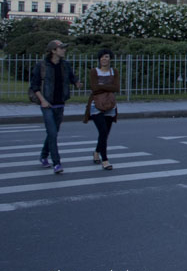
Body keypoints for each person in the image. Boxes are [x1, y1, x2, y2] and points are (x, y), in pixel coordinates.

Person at [29, 40, 81, 175]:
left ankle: (43, 155)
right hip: (47, 104)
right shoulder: (42, 65)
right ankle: (57, 163)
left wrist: (76, 82)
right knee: (52, 133)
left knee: (53, 133)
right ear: (53, 51)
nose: (64, 50)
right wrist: (43, 101)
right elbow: (34, 86)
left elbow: (72, 77)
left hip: (60, 104)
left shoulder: (65, 65)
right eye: (61, 48)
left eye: (64, 48)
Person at [83, 48, 120, 170]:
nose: (105, 59)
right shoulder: (94, 71)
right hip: (96, 105)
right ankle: (105, 160)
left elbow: (116, 88)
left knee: (105, 133)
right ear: (99, 59)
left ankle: (96, 152)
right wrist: (108, 87)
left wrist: (102, 86)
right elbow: (94, 88)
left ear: (110, 59)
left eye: (107, 57)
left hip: (110, 105)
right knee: (103, 131)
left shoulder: (114, 71)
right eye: (103, 57)